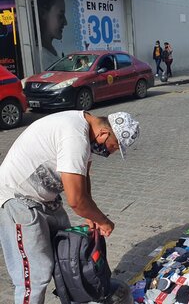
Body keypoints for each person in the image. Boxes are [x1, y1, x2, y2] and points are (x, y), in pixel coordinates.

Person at [0, 110, 140, 304]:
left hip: (45, 199)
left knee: (67, 256)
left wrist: (92, 214)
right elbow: (76, 200)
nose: (111, 152)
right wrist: (103, 220)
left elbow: (83, 179)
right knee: (34, 275)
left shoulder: (85, 129)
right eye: (114, 147)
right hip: (18, 199)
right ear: (104, 134)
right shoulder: (75, 136)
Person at [37, 0, 67, 68]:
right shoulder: (42, 58)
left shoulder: (48, 53)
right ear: (43, 13)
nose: (65, 22)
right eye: (60, 16)